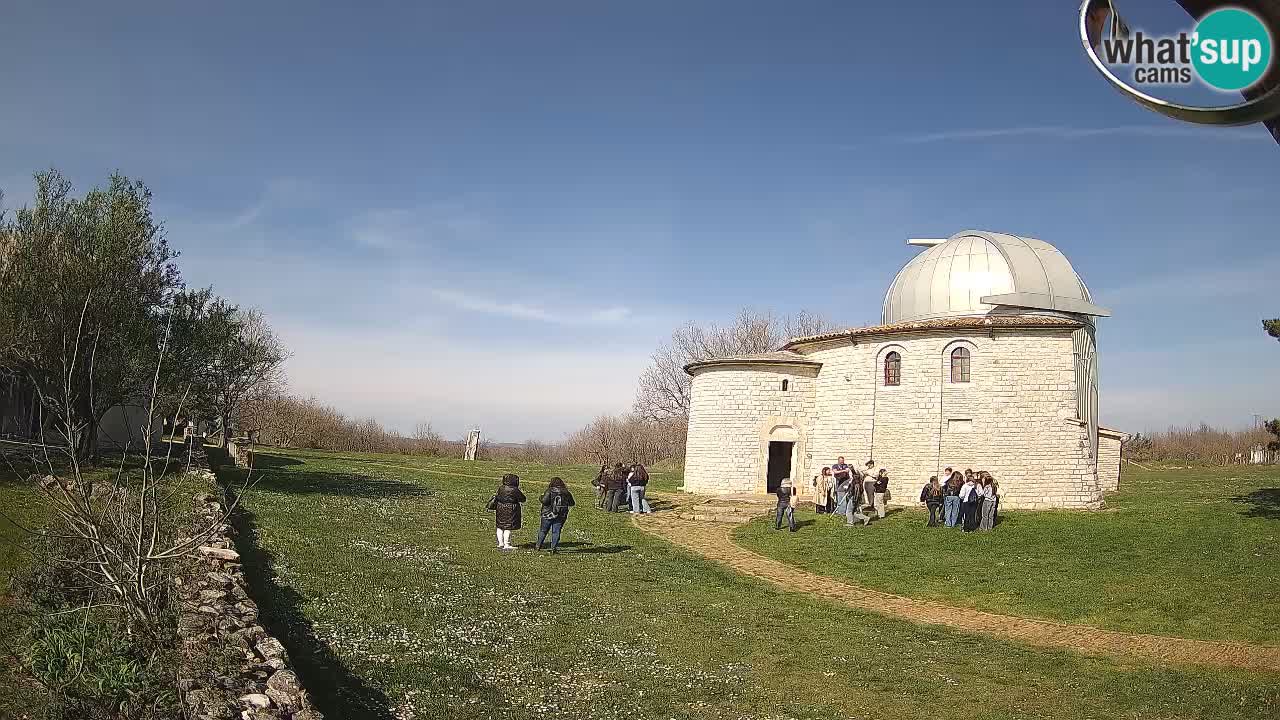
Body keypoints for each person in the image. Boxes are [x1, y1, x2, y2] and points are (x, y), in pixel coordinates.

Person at [536, 477, 576, 552]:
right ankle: (553, 548)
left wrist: (540, 497)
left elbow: (544, 501)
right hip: (560, 515)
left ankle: (538, 546)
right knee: (556, 531)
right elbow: (572, 503)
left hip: (547, 514)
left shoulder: (549, 491)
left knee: (543, 530)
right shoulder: (566, 492)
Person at [489, 473, 526, 550]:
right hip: (511, 509)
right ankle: (507, 544)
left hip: (500, 507)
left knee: (500, 526)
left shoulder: (501, 488)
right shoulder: (514, 489)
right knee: (508, 526)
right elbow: (523, 499)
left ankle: (500, 543)